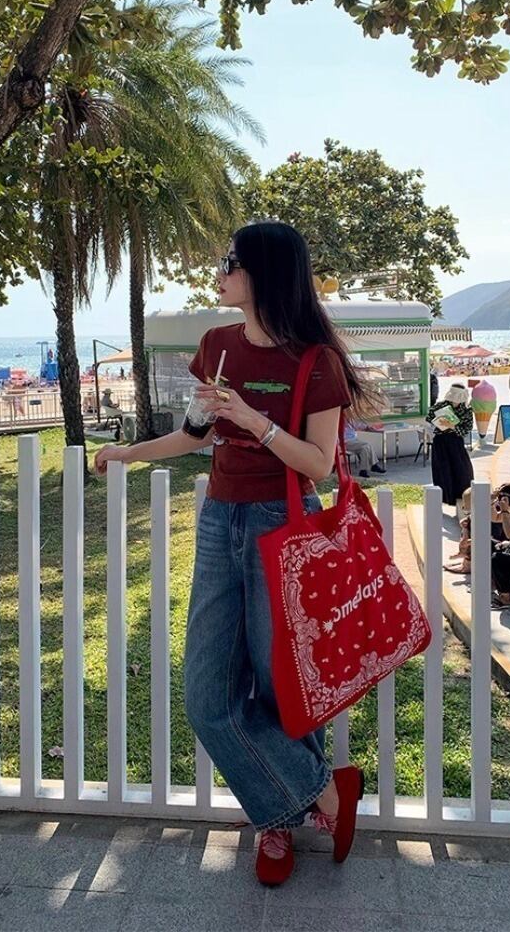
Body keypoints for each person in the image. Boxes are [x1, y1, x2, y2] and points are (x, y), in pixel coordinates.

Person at [93, 222, 377, 887]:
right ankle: (323, 790)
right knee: (207, 695)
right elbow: (195, 436)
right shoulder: (216, 346)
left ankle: (275, 822)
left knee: (281, 681)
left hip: (285, 522)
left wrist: (253, 419)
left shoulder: (315, 361)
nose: (219, 272)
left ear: (264, 273)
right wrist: (128, 453)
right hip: (221, 520)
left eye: (231, 262)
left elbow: (319, 464)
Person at [424, 384, 474, 513]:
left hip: (456, 441)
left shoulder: (467, 410)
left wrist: (452, 426)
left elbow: (467, 429)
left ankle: (463, 497)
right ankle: (445, 497)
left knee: (462, 470)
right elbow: (428, 418)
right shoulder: (440, 406)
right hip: (440, 441)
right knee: (442, 471)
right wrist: (438, 421)